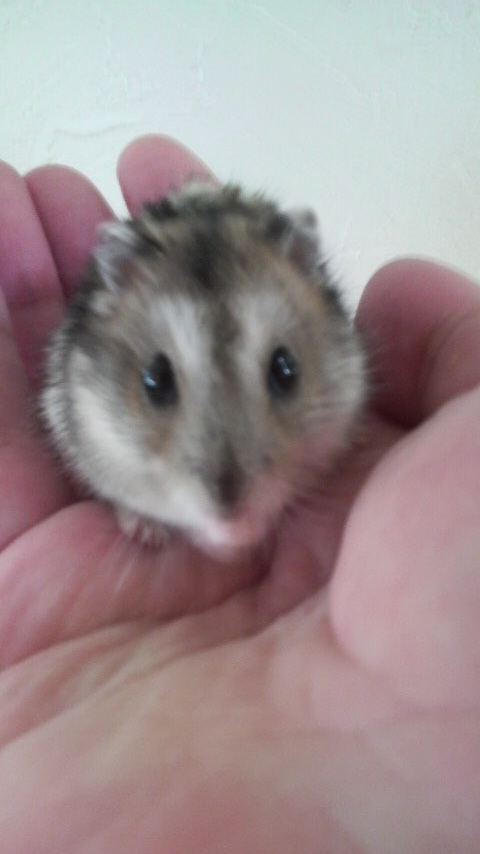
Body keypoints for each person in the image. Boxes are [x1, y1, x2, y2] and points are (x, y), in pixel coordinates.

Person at [0, 135, 479, 853]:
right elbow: (75, 404)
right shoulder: (93, 376)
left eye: (282, 373)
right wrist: (134, 498)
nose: (225, 484)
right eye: (158, 383)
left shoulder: (330, 354)